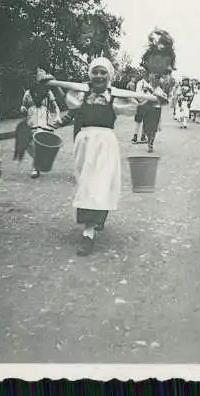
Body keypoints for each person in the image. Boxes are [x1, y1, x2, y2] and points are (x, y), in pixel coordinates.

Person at [65, 57, 138, 256]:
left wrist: (150, 97)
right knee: (86, 183)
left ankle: (88, 233)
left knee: (100, 183)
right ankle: (96, 217)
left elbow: (133, 106)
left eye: (103, 72)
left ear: (109, 76)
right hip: (85, 143)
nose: (98, 76)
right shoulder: (81, 95)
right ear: (90, 75)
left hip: (106, 144)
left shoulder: (114, 98)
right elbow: (70, 103)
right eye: (95, 72)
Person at [18, 77, 61, 178]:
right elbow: (23, 105)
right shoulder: (28, 93)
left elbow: (55, 106)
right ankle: (38, 160)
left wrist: (58, 115)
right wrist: (23, 109)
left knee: (38, 141)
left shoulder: (48, 92)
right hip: (31, 120)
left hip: (43, 119)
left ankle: (35, 167)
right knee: (27, 143)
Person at [141, 74, 168, 152]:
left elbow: (165, 100)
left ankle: (151, 143)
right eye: (155, 79)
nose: (156, 81)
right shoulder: (146, 87)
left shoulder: (159, 89)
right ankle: (149, 139)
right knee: (147, 126)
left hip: (156, 109)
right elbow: (142, 97)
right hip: (148, 109)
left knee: (154, 127)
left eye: (158, 80)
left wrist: (156, 94)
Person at [131, 73, 150, 144]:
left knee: (146, 121)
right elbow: (138, 93)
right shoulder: (140, 83)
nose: (148, 77)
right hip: (141, 103)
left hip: (148, 104)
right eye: (147, 75)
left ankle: (143, 136)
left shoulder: (150, 84)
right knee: (138, 121)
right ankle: (135, 136)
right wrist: (141, 100)